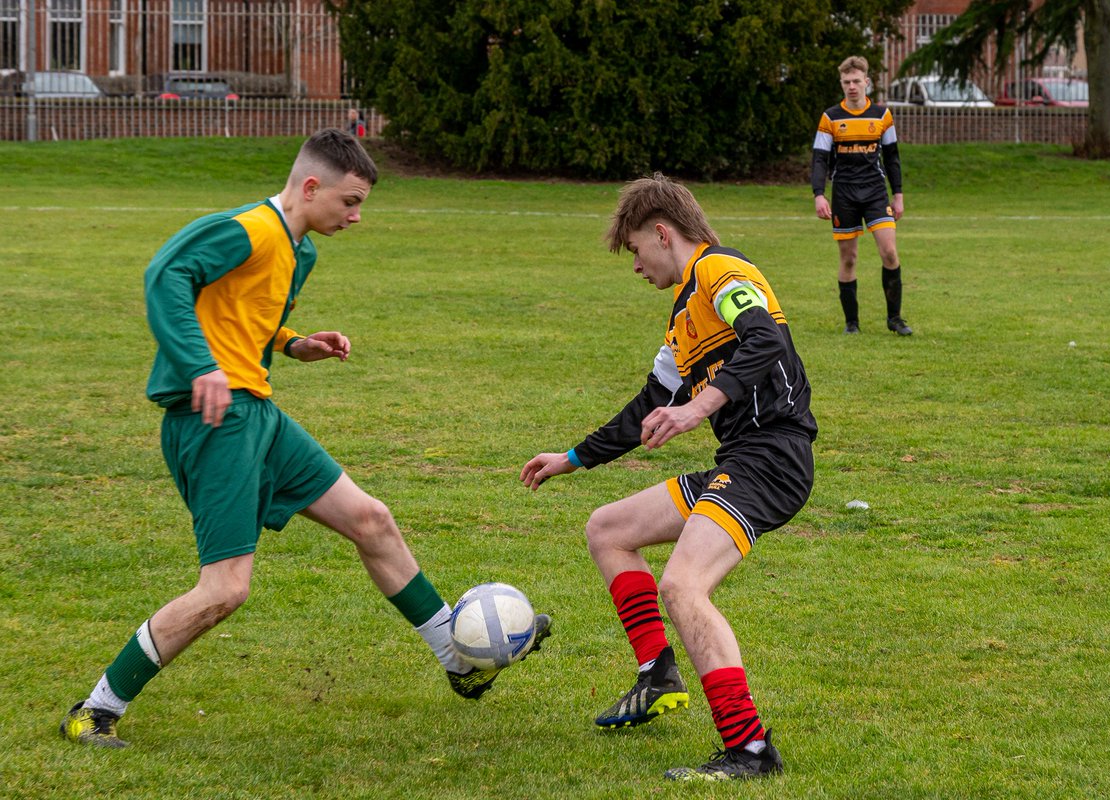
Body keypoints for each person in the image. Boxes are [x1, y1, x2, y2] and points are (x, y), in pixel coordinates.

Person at [60, 128, 549, 749]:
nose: (357, 216)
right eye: (350, 201)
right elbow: (167, 274)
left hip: (256, 413)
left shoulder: (301, 252)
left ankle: (458, 663)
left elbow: (245, 312)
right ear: (310, 186)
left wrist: (293, 342)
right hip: (212, 421)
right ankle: (95, 709)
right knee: (226, 590)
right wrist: (199, 365)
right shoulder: (249, 229)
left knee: (372, 520)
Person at [520, 173, 817, 782]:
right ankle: (656, 674)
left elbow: (766, 340)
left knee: (682, 587)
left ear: (662, 232)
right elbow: (648, 405)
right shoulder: (683, 317)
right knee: (609, 529)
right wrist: (571, 458)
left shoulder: (723, 273)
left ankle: (750, 751)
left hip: (774, 457)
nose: (635, 266)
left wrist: (698, 407)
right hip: (741, 461)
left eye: (634, 249)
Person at [811, 55, 913, 336]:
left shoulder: (882, 115)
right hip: (844, 193)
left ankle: (895, 319)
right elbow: (819, 159)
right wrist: (819, 194)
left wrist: (899, 195)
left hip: (876, 192)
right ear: (841, 84)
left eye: (857, 81)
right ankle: (852, 324)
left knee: (890, 252)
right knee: (849, 259)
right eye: (847, 82)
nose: (852, 86)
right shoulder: (830, 117)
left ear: (867, 81)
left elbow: (892, 158)